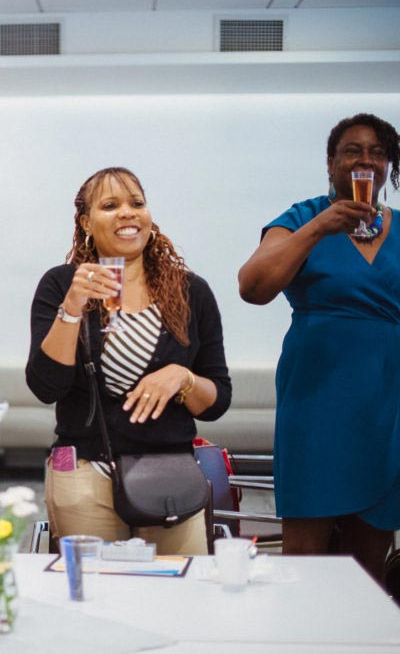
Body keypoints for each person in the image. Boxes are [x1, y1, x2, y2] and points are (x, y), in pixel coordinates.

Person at [26, 167, 231, 555]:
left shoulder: (191, 291)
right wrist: (72, 308)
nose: (127, 213)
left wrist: (182, 377)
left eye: (136, 203)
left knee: (180, 596)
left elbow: (217, 400)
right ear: (86, 222)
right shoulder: (60, 284)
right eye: (110, 205)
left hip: (169, 476)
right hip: (86, 473)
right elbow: (45, 386)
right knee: (96, 599)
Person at [238, 113, 400, 580]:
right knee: (306, 554)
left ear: (387, 167)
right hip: (316, 400)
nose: (365, 160)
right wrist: (320, 228)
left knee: (371, 555)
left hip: (386, 401)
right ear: (331, 164)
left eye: (377, 152)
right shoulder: (302, 217)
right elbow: (253, 285)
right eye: (352, 150)